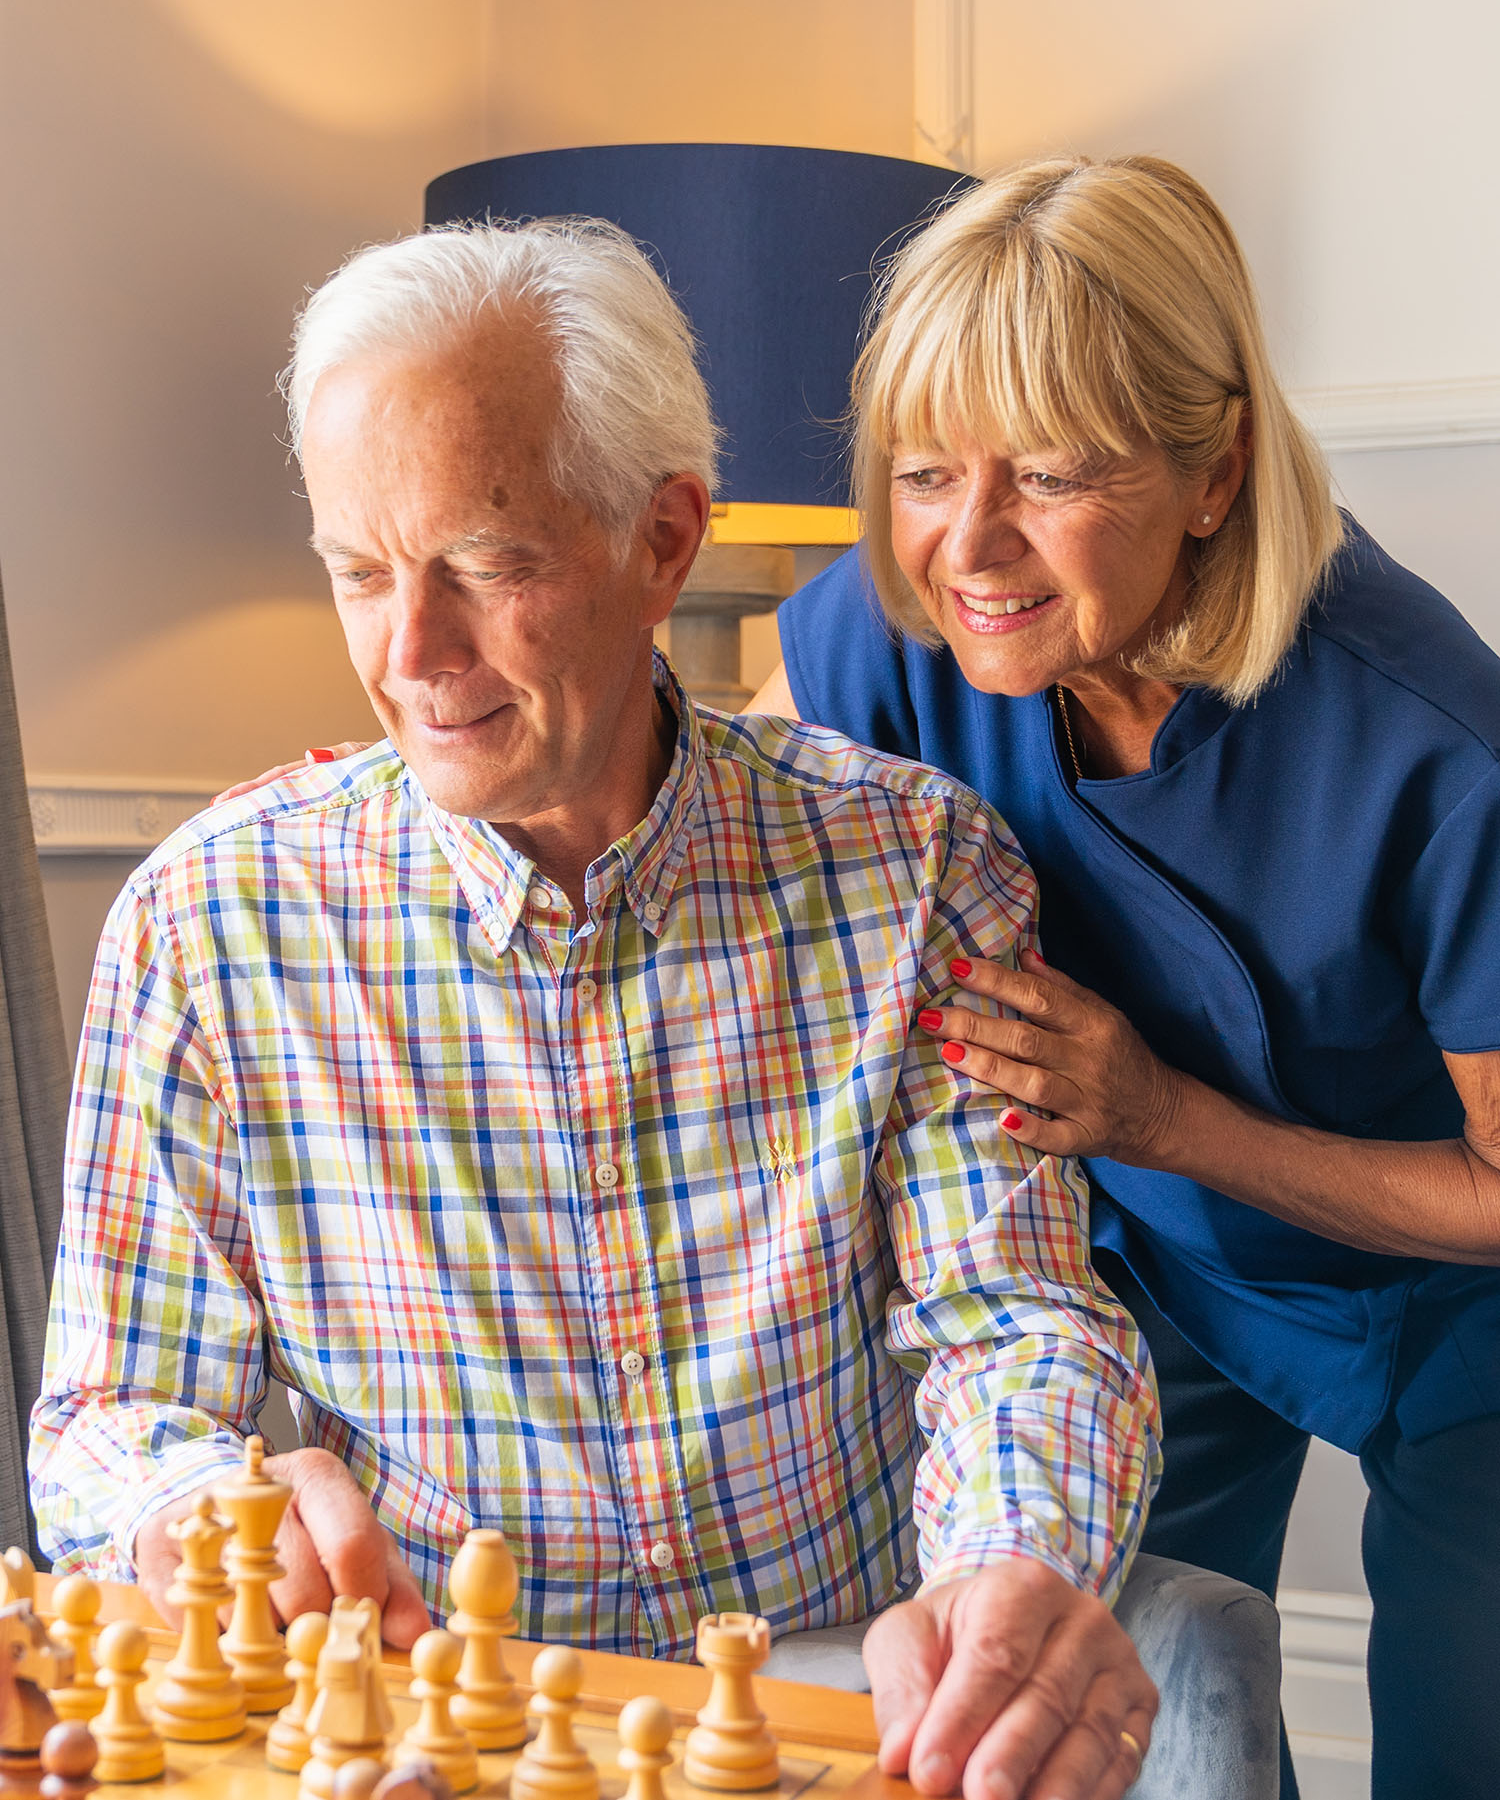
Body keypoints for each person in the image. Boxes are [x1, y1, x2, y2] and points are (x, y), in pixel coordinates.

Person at [30, 218, 1164, 1800]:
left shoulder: (915, 872)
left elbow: (1018, 1325)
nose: (410, 656)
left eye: (487, 566)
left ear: (664, 539)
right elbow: (107, 1406)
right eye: (361, 574)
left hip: (826, 1707)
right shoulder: (204, 922)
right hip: (436, 1734)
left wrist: (1004, 1561)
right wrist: (195, 1511)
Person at [749, 154, 1500, 1800]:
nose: (971, 542)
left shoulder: (1433, 738)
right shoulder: (899, 639)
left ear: (1215, 470)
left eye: (1058, 474)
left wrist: (1157, 1115)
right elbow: (729, 788)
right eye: (928, 469)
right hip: (1165, 1279)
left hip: (1467, 1308)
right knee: (1116, 1713)